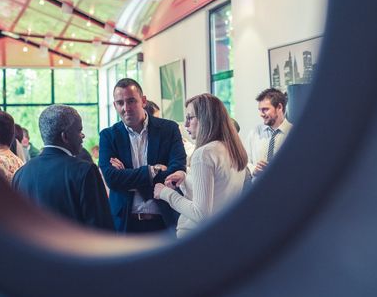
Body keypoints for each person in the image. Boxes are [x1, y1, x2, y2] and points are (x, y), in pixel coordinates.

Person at [154, 93, 248, 238]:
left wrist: (165, 193)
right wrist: (185, 178)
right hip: (224, 233)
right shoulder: (233, 149)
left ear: (205, 119)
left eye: (190, 118)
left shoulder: (204, 153)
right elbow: (217, 190)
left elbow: (200, 213)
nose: (185, 124)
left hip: (196, 236)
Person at [99, 78, 187, 234]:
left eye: (131, 101)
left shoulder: (169, 129)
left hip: (164, 220)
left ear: (143, 101)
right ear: (115, 106)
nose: (126, 108)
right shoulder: (108, 136)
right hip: (126, 224)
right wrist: (152, 171)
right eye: (120, 103)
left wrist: (126, 176)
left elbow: (177, 169)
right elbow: (112, 178)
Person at [12, 105, 114, 231]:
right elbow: (101, 228)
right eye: (79, 130)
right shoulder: (85, 171)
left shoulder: (21, 174)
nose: (83, 136)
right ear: (65, 136)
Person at [243, 88, 293, 179]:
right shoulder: (254, 133)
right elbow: (244, 161)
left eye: (265, 109)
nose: (261, 114)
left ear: (279, 107)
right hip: (259, 190)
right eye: (260, 110)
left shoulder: (293, 134)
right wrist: (254, 169)